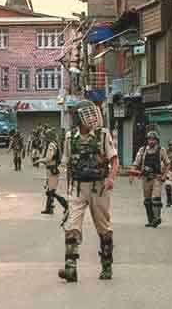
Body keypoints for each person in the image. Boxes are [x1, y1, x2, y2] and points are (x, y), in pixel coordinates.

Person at [59, 100, 118, 282]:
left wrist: (110, 178)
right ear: (78, 118)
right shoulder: (70, 137)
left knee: (103, 227)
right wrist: (67, 191)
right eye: (87, 114)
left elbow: (114, 160)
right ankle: (71, 269)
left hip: (98, 187)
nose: (92, 118)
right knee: (71, 227)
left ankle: (106, 266)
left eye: (93, 113)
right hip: (77, 187)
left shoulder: (102, 134)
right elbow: (67, 163)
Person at [131, 131, 170, 228]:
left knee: (156, 198)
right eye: (149, 139)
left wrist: (164, 175)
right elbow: (136, 163)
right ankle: (151, 220)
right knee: (147, 200)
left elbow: (168, 163)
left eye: (153, 139)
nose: (151, 141)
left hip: (157, 177)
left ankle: (157, 218)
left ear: (157, 140)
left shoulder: (161, 150)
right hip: (146, 178)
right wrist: (132, 173)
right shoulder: (143, 150)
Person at [38, 128, 68, 215]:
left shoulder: (51, 145)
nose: (44, 138)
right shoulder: (54, 144)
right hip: (52, 169)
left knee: (51, 191)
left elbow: (49, 158)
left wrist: (40, 160)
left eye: (46, 136)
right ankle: (49, 208)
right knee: (50, 190)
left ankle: (66, 206)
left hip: (52, 169)